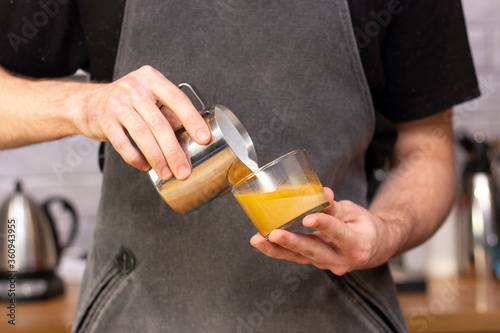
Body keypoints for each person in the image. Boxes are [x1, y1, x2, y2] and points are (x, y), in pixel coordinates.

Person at [0, 0, 479, 332]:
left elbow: (428, 149)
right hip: (136, 316)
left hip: (340, 317)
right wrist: (83, 106)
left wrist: (385, 233)